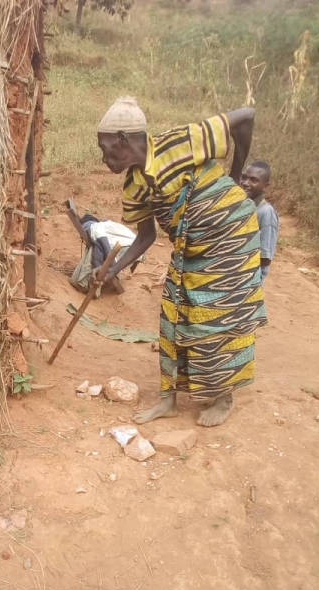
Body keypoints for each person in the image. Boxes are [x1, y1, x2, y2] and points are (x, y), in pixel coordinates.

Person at [94, 96, 267, 427]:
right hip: (191, 249)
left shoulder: (181, 142)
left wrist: (234, 175)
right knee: (174, 314)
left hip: (232, 238)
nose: (104, 159)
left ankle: (224, 396)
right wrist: (113, 269)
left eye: (105, 149)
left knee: (218, 319)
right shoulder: (133, 187)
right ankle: (168, 400)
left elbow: (246, 116)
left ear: (122, 140)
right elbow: (145, 237)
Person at [69, 213, 143, 293]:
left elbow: (103, 248)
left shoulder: (95, 227)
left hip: (126, 249)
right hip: (138, 249)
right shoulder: (108, 225)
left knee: (96, 249)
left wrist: (110, 268)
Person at [240, 161, 279, 278]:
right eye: (244, 178)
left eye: (254, 180)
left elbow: (265, 258)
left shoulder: (266, 213)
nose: (246, 183)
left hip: (250, 280)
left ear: (265, 186)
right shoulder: (244, 206)